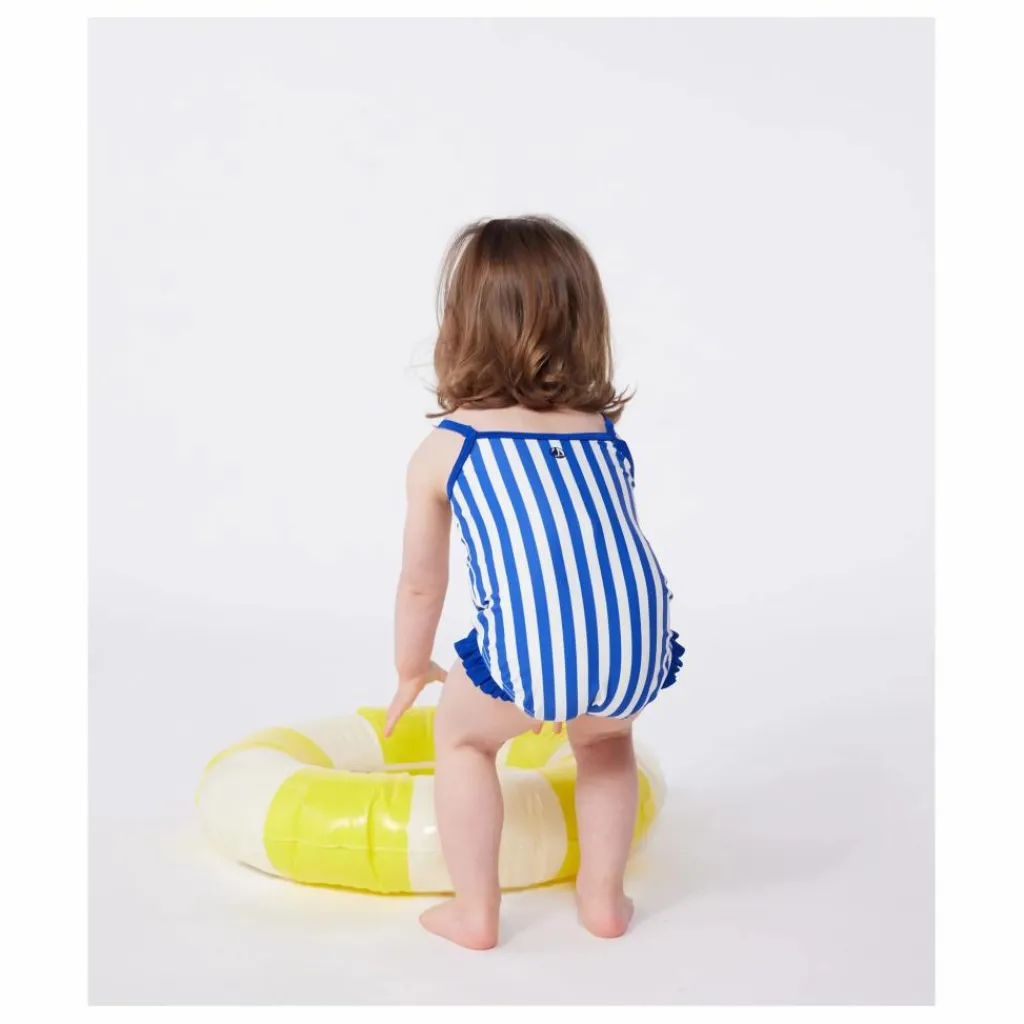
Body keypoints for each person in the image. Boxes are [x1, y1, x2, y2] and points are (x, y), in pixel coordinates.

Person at [385, 216, 684, 949]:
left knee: (462, 741)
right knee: (605, 745)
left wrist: (412, 667)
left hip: (532, 652)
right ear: (584, 322)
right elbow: (584, 557)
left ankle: (475, 913)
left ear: (461, 327)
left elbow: (422, 584)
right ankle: (603, 903)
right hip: (633, 642)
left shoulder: (448, 448)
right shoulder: (601, 433)